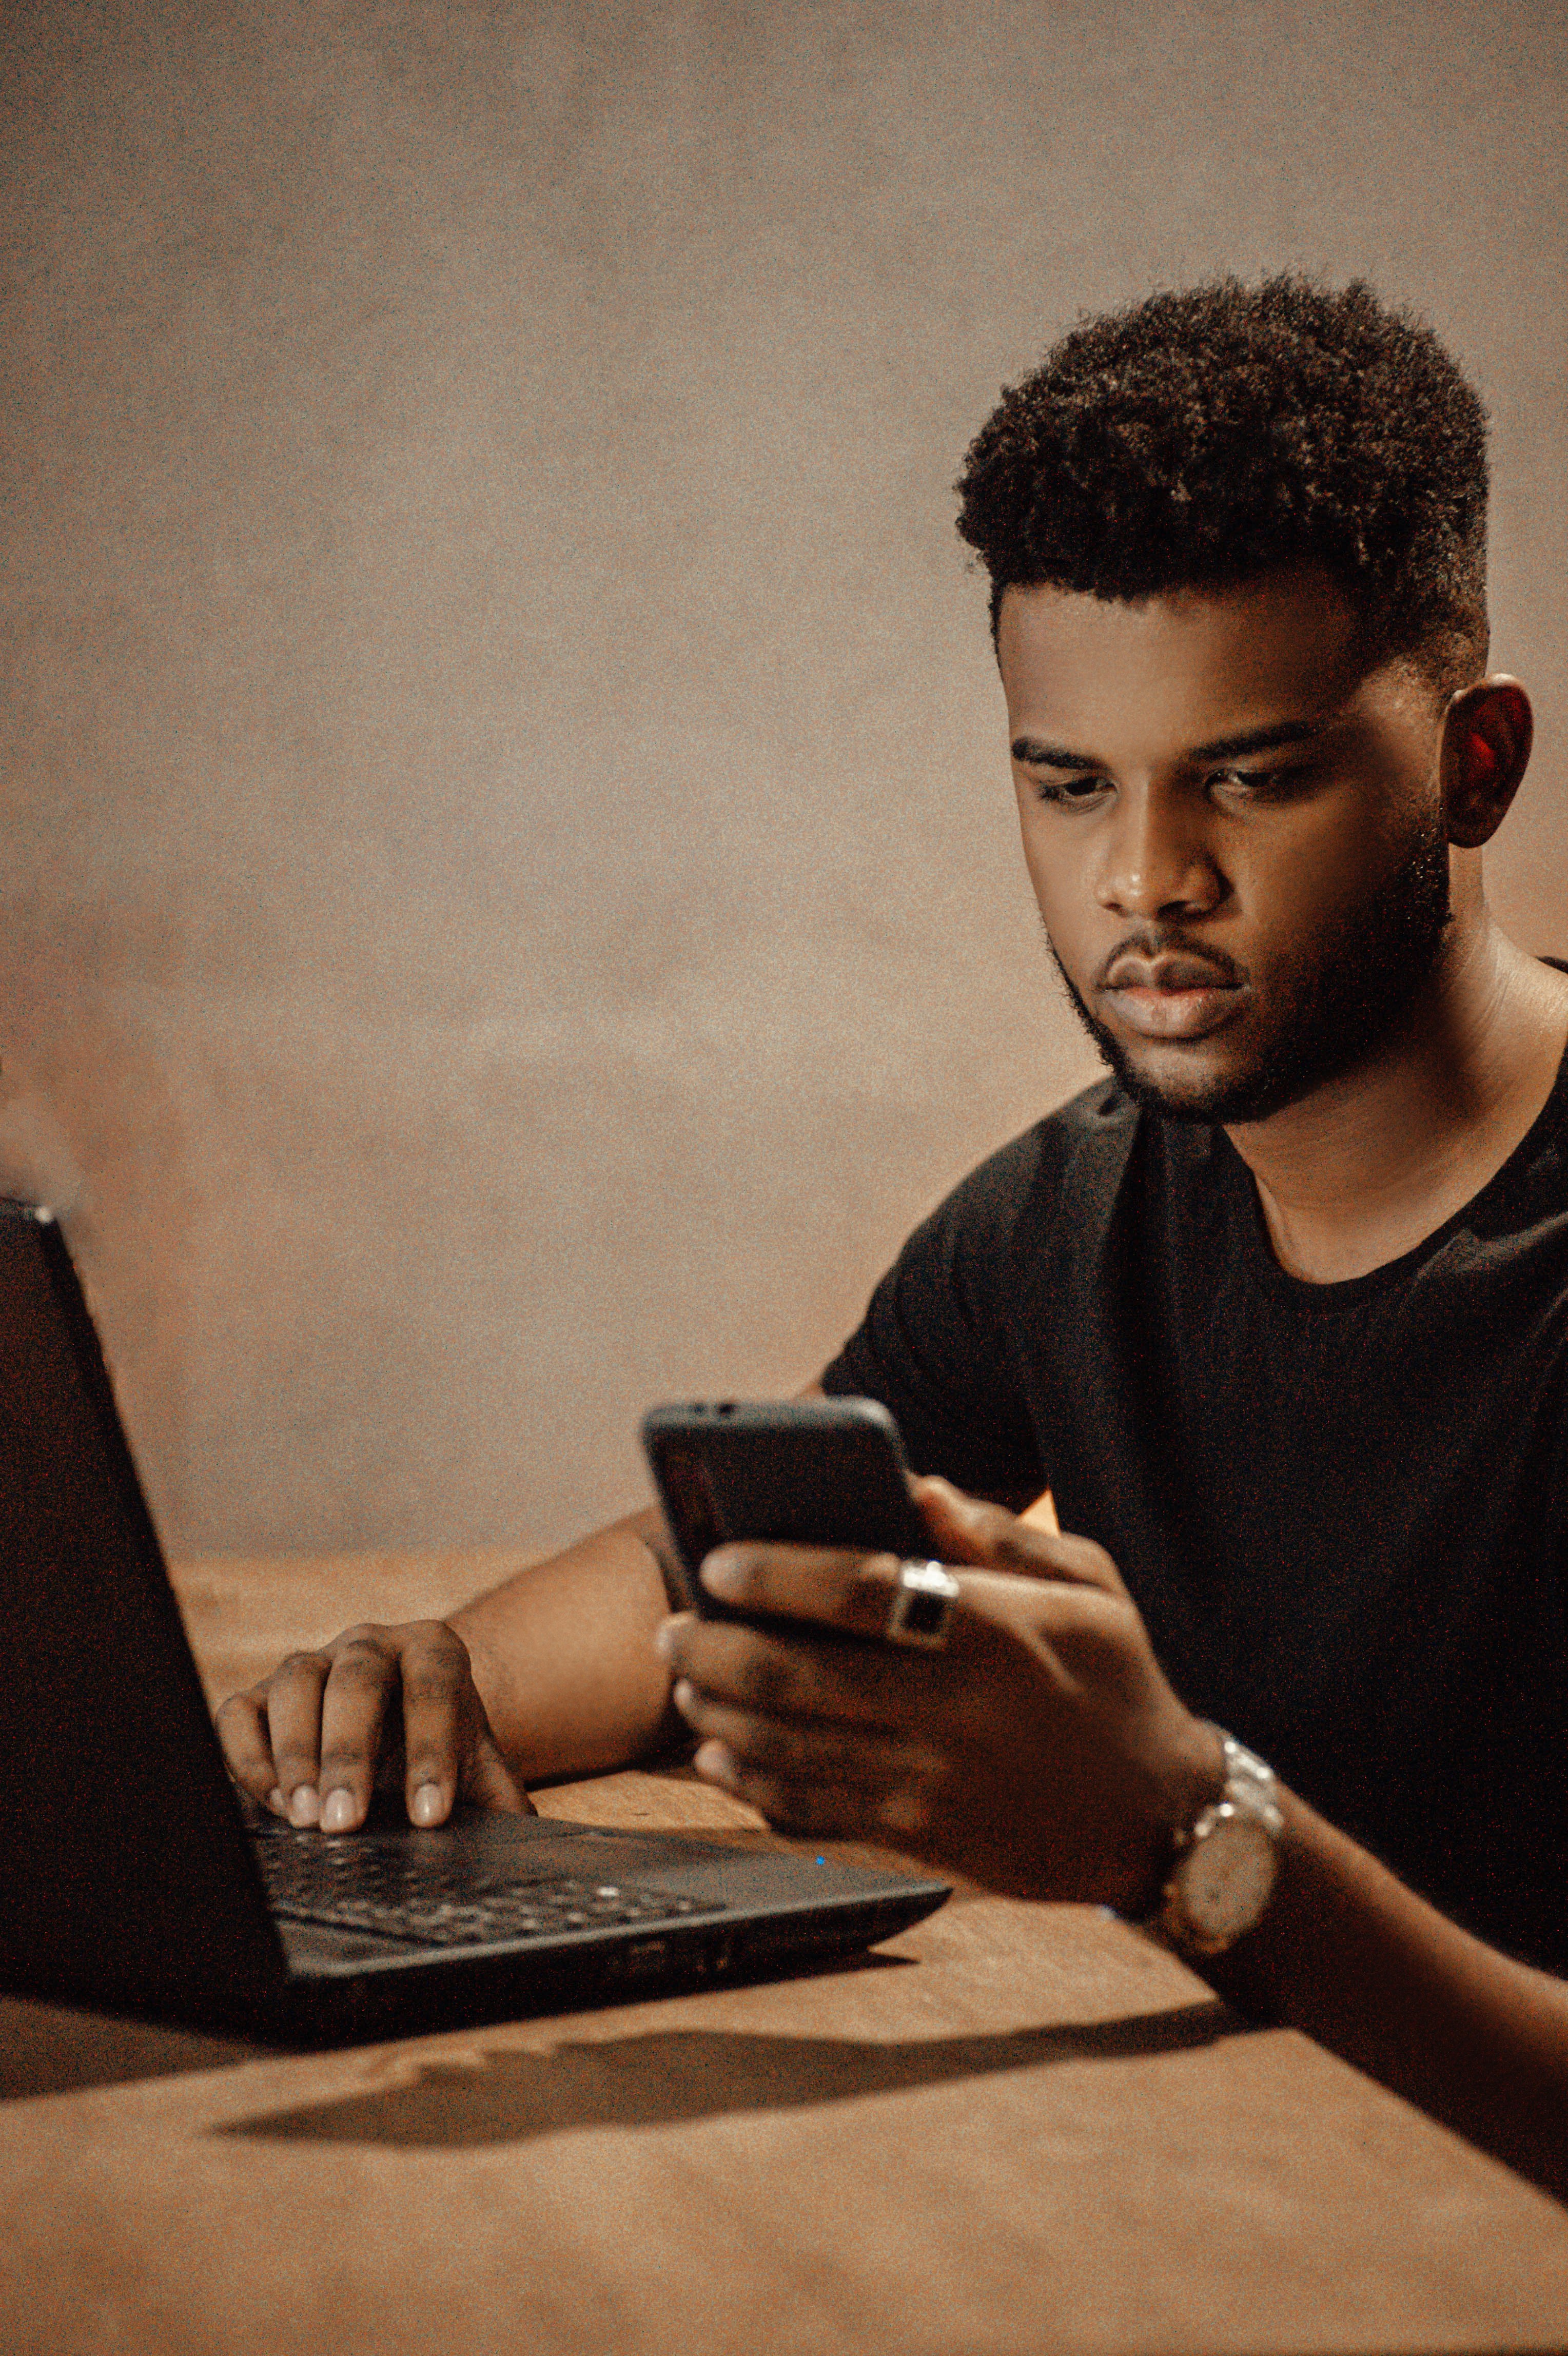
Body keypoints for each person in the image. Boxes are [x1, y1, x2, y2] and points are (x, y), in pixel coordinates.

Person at [218, 274, 1568, 2198]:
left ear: (1477, 764)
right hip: (1235, 2212)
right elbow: (725, 1571)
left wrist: (1183, 1833)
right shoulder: (1072, 1211)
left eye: (1252, 778)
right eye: (1068, 780)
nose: (1144, 879)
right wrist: (423, 1681)